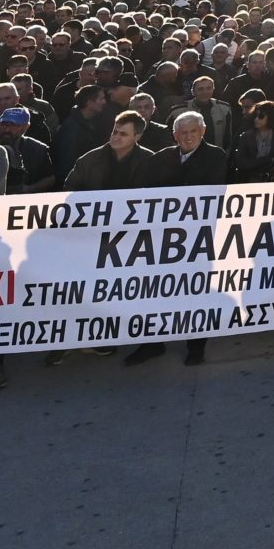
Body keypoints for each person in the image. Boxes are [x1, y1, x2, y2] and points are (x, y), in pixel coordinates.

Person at [124, 113, 230, 367]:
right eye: (183, 132)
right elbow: (145, 192)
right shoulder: (160, 158)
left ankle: (196, 346)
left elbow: (214, 191)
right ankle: (153, 342)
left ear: (203, 132)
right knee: (156, 291)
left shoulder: (216, 156)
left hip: (199, 238)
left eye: (193, 131)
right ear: (174, 135)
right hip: (162, 237)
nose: (188, 136)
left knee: (197, 292)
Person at [67, 111, 156, 191]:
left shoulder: (151, 161)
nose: (116, 137)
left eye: (123, 134)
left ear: (137, 136)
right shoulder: (88, 161)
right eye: (115, 132)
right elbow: (70, 189)